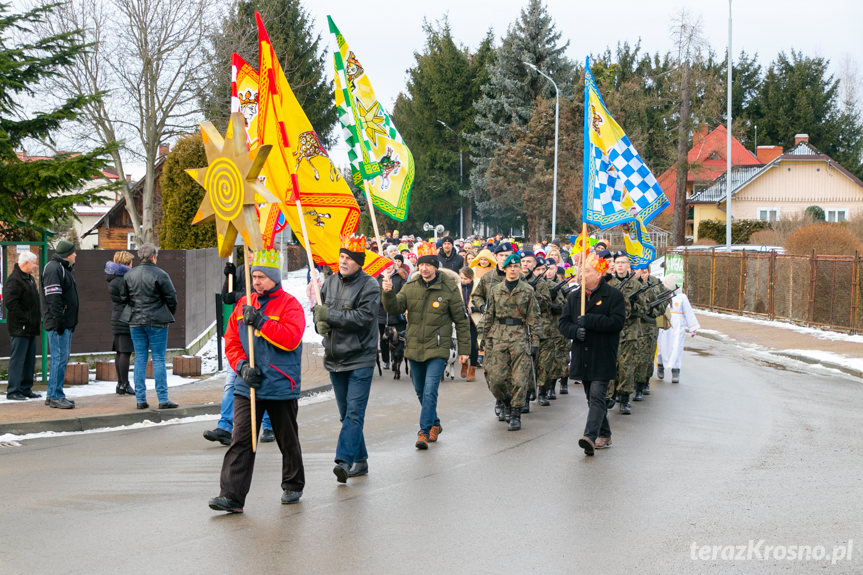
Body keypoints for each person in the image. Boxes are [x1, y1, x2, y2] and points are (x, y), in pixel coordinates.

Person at [209, 249, 306, 513]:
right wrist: (241, 366)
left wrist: (261, 322)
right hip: (248, 384)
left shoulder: (290, 305)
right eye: (254, 276)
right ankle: (231, 495)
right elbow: (231, 340)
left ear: (274, 278)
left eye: (262, 276)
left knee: (287, 439)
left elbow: (291, 338)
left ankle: (293, 483)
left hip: (279, 382)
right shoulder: (243, 304)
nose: (257, 282)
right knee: (241, 440)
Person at [382, 243, 470, 449]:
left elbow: (461, 320)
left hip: (438, 347)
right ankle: (435, 424)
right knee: (421, 391)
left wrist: (465, 351)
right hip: (413, 347)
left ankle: (423, 431)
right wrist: (387, 293)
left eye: (429, 265)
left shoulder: (448, 288)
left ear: (435, 267)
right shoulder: (410, 287)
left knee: (430, 390)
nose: (424, 269)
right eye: (421, 265)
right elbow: (395, 307)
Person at [315, 234, 381, 482]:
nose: (343, 261)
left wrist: (328, 315)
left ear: (359, 262)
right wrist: (318, 323)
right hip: (334, 358)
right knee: (345, 413)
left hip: (360, 358)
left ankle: (344, 460)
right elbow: (318, 311)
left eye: (349, 258)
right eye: (342, 256)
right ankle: (361, 459)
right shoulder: (329, 282)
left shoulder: (370, 286)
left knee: (354, 412)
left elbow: (362, 318)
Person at [204, 247, 275, 446]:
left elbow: (258, 297)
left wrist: (237, 296)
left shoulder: (268, 271)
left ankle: (269, 425)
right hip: (241, 335)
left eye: (253, 251)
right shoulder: (243, 270)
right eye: (248, 251)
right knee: (232, 382)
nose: (250, 255)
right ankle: (225, 426)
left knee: (265, 380)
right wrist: (229, 276)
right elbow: (229, 296)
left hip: (260, 337)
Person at [559, 253, 626, 456]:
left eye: (586, 271)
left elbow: (617, 322)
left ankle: (589, 436)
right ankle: (605, 434)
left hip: (602, 353)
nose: (581, 274)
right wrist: (574, 331)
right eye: (581, 270)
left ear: (599, 274)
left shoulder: (613, 296)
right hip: (582, 354)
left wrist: (590, 320)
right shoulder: (574, 296)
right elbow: (563, 323)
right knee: (591, 398)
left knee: (597, 396)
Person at [481, 252, 540, 430]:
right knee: (496, 378)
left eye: (516, 266)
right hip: (498, 336)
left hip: (520, 337)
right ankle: (505, 400)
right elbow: (488, 315)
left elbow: (534, 318)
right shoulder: (495, 290)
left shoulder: (527, 290)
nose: (513, 269)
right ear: (504, 268)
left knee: (520, 379)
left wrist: (535, 342)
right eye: (510, 267)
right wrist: (482, 338)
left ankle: (515, 413)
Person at [123, 243, 178, 410]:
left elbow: (124, 297)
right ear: (154, 256)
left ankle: (140, 399)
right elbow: (171, 297)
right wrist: (167, 312)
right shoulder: (161, 274)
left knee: (140, 358)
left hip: (135, 321)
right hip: (157, 321)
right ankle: (163, 399)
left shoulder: (129, 275)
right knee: (159, 359)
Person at [41, 239, 79, 409]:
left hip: (63, 322)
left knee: (60, 359)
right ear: (67, 254)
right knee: (59, 359)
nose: (76, 255)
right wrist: (59, 322)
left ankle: (52, 394)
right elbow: (53, 298)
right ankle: (56, 395)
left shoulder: (60, 268)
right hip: (59, 324)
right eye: (74, 252)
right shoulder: (54, 269)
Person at [3, 251, 42, 401]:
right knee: (18, 359)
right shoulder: (15, 280)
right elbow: (10, 303)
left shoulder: (29, 279)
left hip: (30, 327)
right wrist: (24, 320)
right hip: (20, 327)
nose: (35, 266)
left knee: (29, 359)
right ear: (25, 263)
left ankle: (26, 388)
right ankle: (13, 390)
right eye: (33, 263)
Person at [656, 275, 700, 383]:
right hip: (663, 325)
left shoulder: (681, 297)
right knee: (661, 347)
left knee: (676, 348)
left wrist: (692, 327)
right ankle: (660, 366)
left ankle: (675, 370)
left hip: (677, 327)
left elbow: (688, 312)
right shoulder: (660, 295)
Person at [633, 267, 668, 401]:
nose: (641, 274)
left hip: (648, 326)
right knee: (631, 357)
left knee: (645, 356)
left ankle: (643, 382)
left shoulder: (655, 284)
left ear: (648, 272)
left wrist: (651, 315)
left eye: (644, 272)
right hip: (633, 324)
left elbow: (663, 303)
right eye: (638, 271)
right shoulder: (631, 284)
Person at [105, 251, 135, 396]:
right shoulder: (123, 279)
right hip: (125, 317)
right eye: (131, 263)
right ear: (126, 263)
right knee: (125, 352)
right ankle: (124, 384)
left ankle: (120, 384)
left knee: (120, 352)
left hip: (117, 317)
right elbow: (127, 298)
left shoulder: (113, 278)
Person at [377, 253, 407, 371]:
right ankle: (385, 360)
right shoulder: (377, 278)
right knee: (384, 339)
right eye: (385, 265)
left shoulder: (399, 277)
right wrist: (383, 299)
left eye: (389, 264)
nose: (387, 267)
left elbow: (404, 292)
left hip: (396, 314)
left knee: (397, 338)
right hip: (381, 313)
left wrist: (393, 299)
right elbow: (374, 292)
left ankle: (395, 358)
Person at [458, 266, 479, 381]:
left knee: (473, 345)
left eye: (466, 278)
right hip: (461, 319)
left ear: (471, 278)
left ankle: (472, 369)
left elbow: (483, 301)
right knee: (462, 343)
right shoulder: (457, 287)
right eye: (461, 278)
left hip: (473, 320)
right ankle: (464, 364)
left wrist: (474, 309)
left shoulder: (477, 287)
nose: (463, 281)